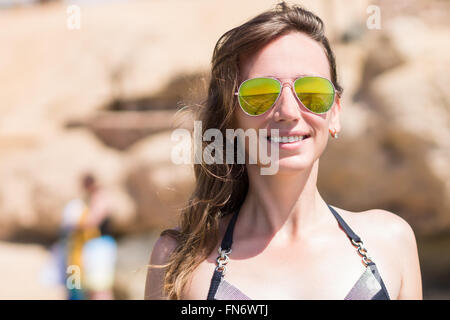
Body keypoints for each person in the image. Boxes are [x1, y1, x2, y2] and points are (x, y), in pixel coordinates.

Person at [145, 2, 422, 300]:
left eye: (312, 93)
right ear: (230, 117)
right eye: (260, 94)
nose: (289, 111)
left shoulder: (391, 241)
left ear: (335, 112)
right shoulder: (179, 259)